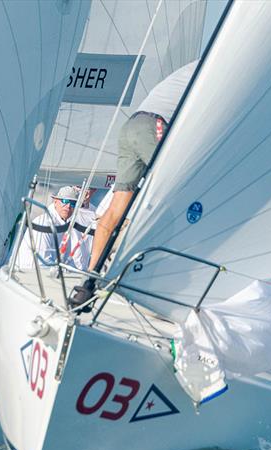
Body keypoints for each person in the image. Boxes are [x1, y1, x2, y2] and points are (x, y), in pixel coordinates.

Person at [69, 60, 198, 307]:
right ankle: (151, 277)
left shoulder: (188, 69)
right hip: (154, 125)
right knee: (176, 193)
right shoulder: (217, 62)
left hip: (130, 127)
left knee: (115, 210)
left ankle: (91, 278)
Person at [18, 186, 92, 271]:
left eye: (73, 203)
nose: (68, 206)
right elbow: (41, 262)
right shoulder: (44, 222)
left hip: (50, 274)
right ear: (55, 202)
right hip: (29, 274)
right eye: (65, 201)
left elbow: (67, 262)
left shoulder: (67, 225)